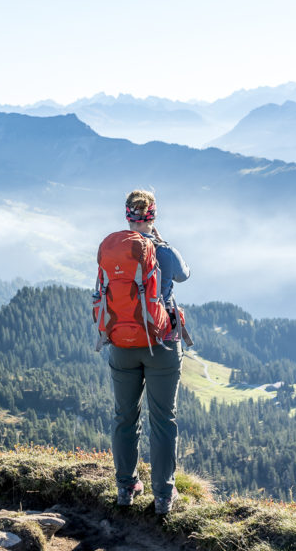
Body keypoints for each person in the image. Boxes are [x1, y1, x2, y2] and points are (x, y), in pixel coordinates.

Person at [97, 189, 190, 515]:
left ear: (128, 215)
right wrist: (160, 241)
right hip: (162, 344)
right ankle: (163, 495)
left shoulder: (113, 248)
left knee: (125, 417)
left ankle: (125, 488)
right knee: (163, 420)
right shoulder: (162, 251)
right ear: (153, 215)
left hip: (121, 345)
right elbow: (184, 274)